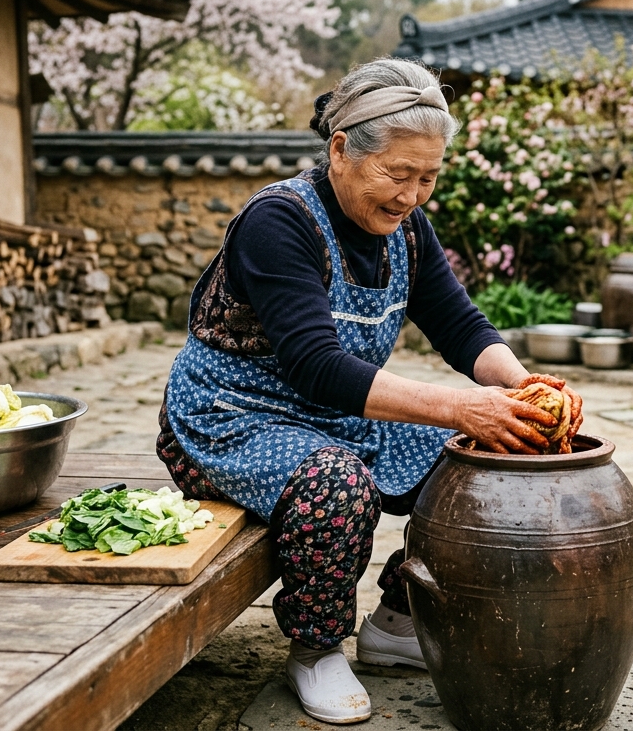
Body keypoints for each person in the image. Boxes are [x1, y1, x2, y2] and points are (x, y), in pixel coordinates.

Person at [157, 57, 581, 724]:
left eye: (429, 177)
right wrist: (460, 404)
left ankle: (397, 619)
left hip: (340, 414)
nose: (411, 194)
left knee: (479, 458)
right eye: (397, 173)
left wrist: (526, 389)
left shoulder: (406, 228)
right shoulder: (280, 220)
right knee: (337, 483)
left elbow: (459, 324)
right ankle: (316, 649)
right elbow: (315, 365)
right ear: (340, 150)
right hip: (234, 416)